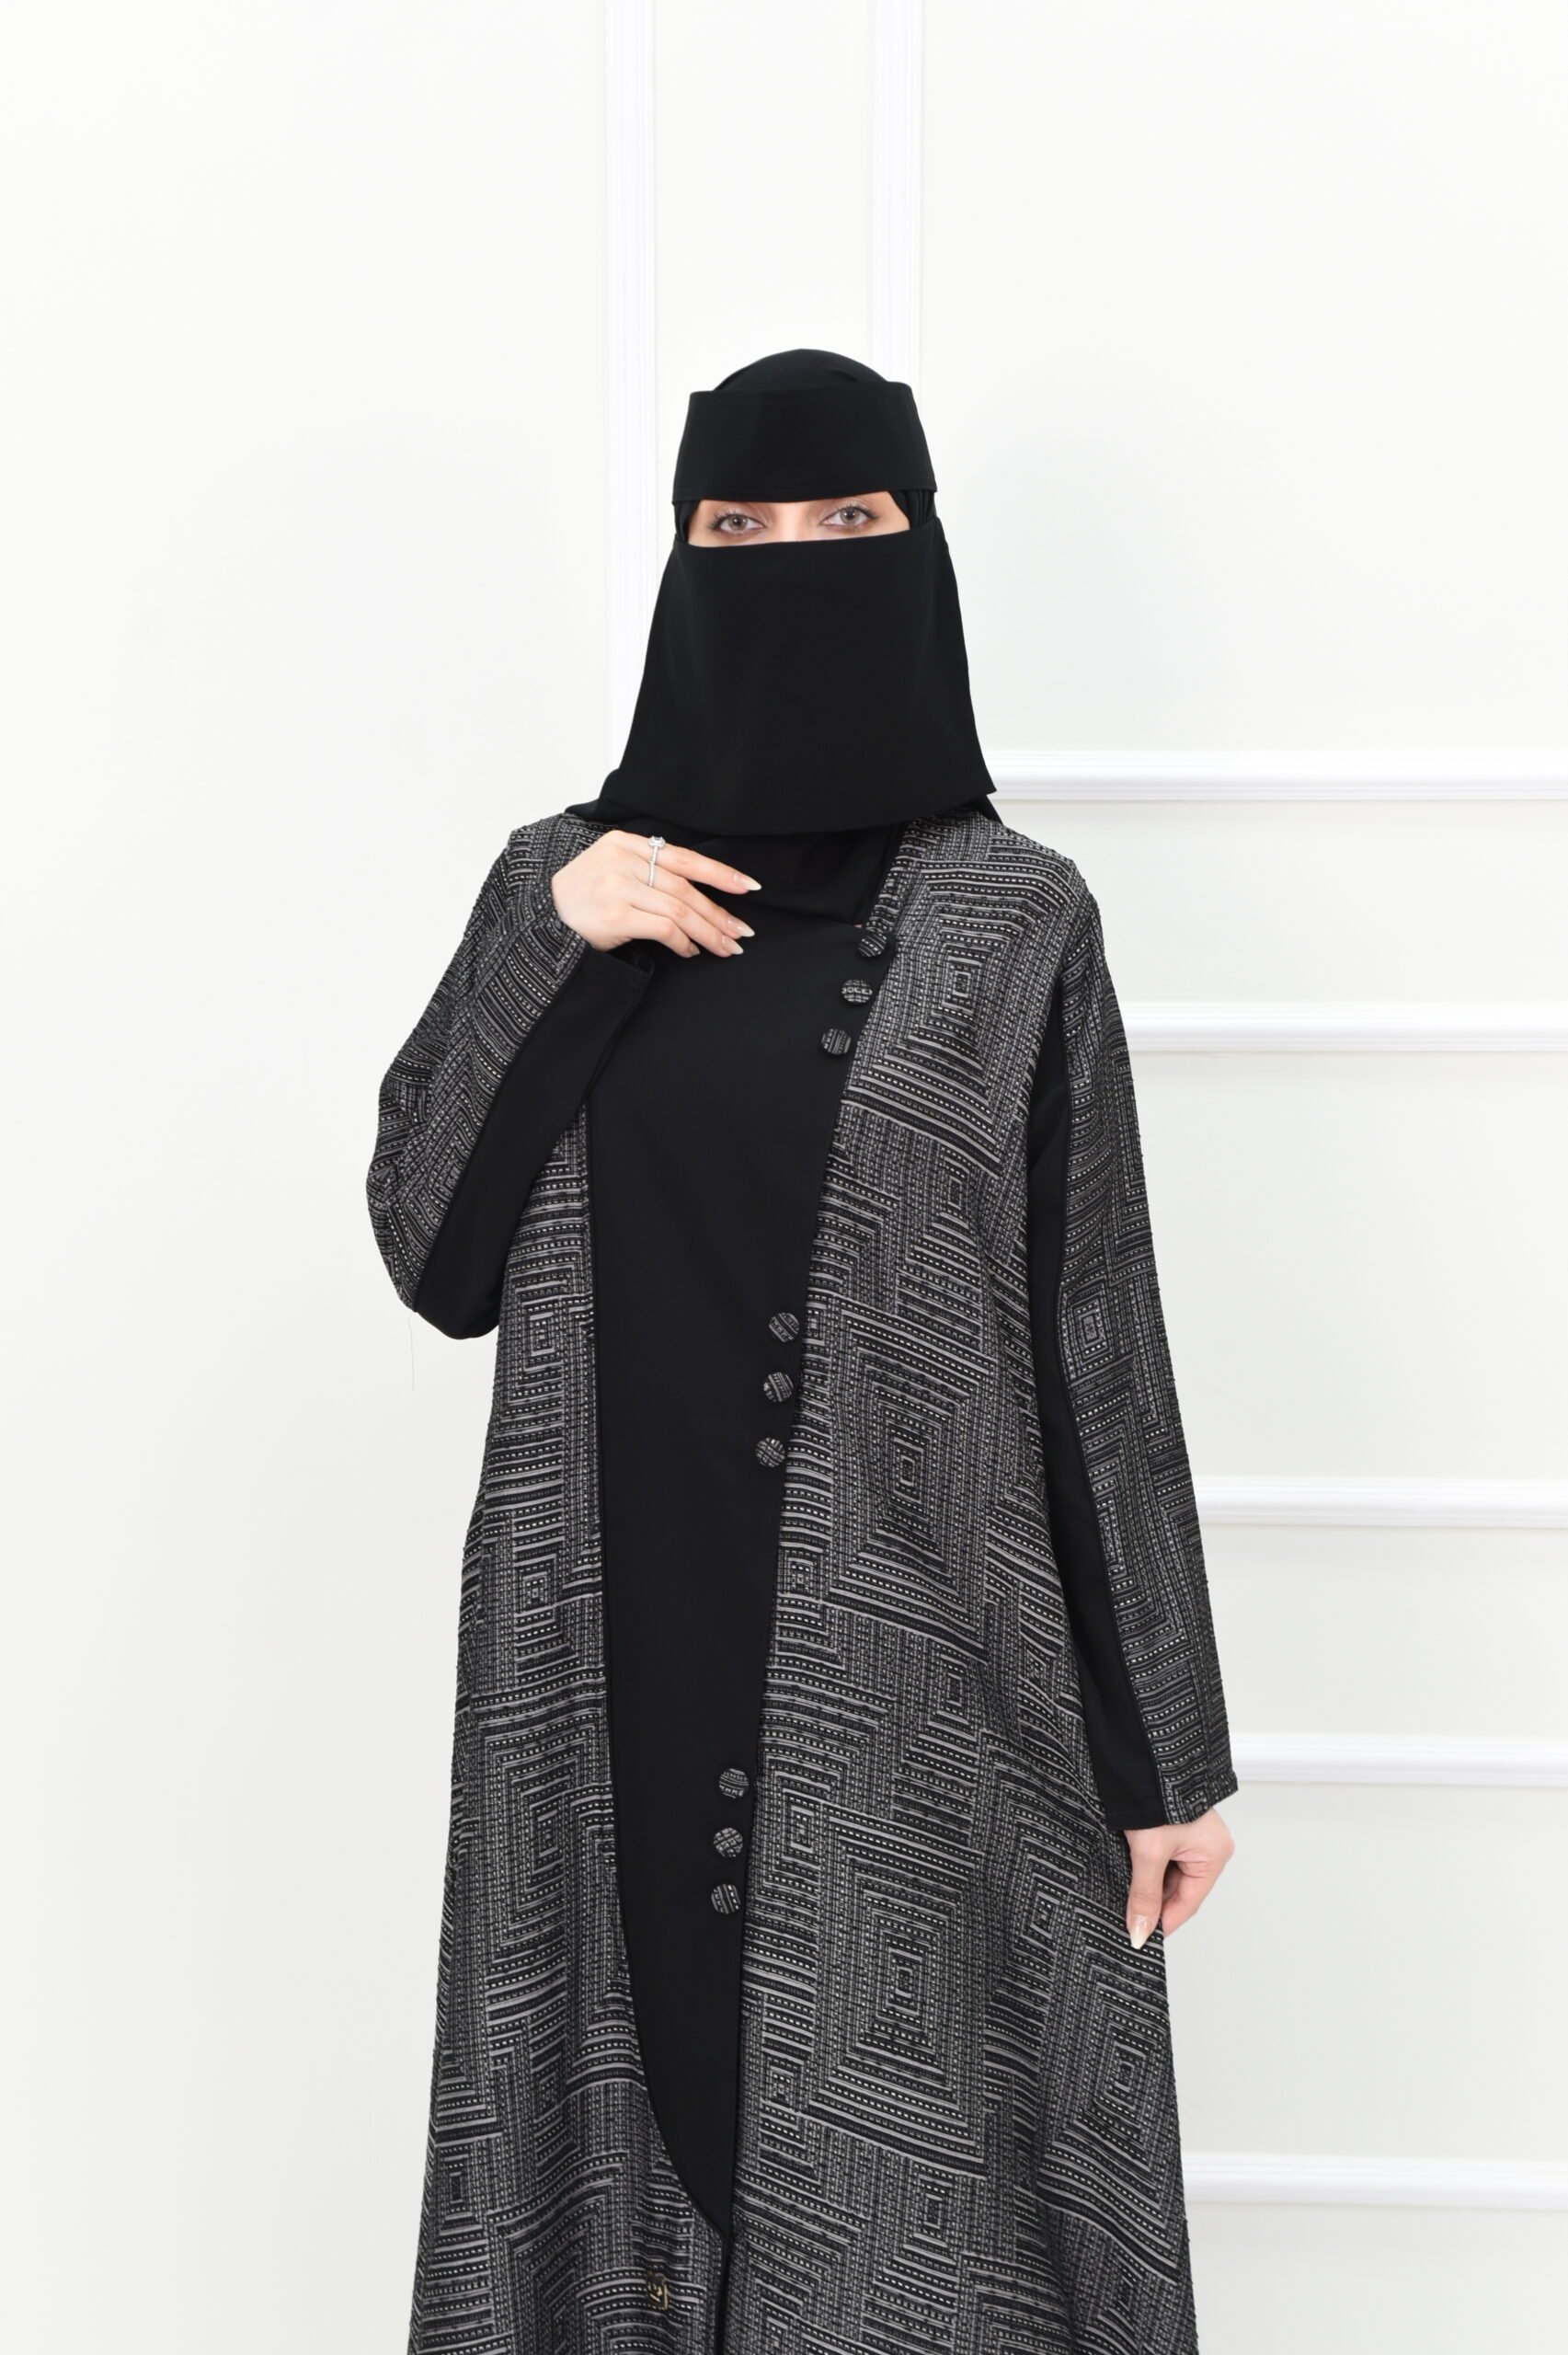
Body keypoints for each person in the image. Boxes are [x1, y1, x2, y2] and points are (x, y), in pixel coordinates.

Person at [367, 349, 1238, 2355]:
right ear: (678, 558)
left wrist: (1167, 1757)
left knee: (912, 2213)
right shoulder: (562, 883)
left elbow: (1093, 1340)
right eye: (735, 524)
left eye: (845, 519)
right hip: (597, 1665)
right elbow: (429, 1243)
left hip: (912, 1674)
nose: (790, 559)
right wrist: (556, 936)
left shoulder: (1012, 920)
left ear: (920, 546)